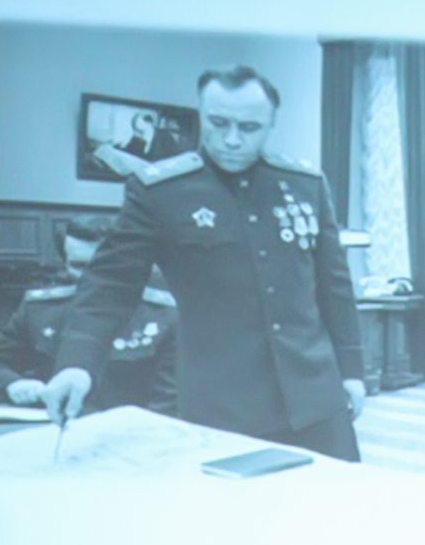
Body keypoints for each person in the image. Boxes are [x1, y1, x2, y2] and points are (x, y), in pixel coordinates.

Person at [41, 65, 367, 461]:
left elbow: (334, 286)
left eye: (249, 128)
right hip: (223, 404)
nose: (232, 140)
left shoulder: (305, 185)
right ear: (201, 115)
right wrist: (76, 364)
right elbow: (110, 286)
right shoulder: (159, 191)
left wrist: (352, 370)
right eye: (218, 123)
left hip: (316, 396)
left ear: (271, 125)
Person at [0, 218, 176, 415]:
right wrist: (14, 386)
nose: (91, 277)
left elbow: (169, 405)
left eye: (103, 267)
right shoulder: (40, 311)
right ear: (65, 264)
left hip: (130, 434)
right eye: (78, 266)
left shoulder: (164, 317)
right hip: (51, 429)